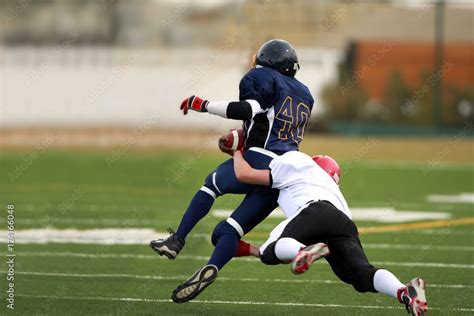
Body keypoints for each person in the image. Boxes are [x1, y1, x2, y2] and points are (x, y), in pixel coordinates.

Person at [148, 39, 314, 302]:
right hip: (284, 173)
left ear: (267, 61)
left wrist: (201, 104)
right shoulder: (305, 94)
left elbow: (247, 109)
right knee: (229, 231)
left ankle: (177, 240)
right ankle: (213, 265)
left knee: (210, 185)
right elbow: (267, 119)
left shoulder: (263, 77)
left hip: (260, 158)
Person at [229, 150, 428, 316]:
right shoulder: (335, 190)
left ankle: (301, 250)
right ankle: (403, 291)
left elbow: (245, 174)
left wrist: (237, 151)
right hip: (343, 223)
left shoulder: (301, 168)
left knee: (269, 251)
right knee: (361, 275)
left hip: (313, 211)